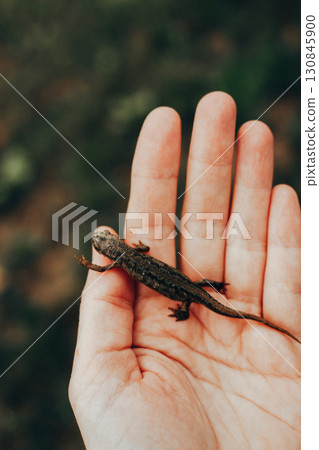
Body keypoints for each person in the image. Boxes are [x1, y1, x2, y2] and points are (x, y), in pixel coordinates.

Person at [69, 92, 301, 449]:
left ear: (110, 250)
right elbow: (137, 253)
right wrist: (110, 258)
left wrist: (89, 264)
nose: (103, 247)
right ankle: (209, 294)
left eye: (101, 246)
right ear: (111, 250)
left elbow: (109, 269)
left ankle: (196, 305)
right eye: (101, 247)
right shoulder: (128, 254)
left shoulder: (120, 259)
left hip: (185, 291)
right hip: (186, 286)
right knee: (197, 288)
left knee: (195, 292)